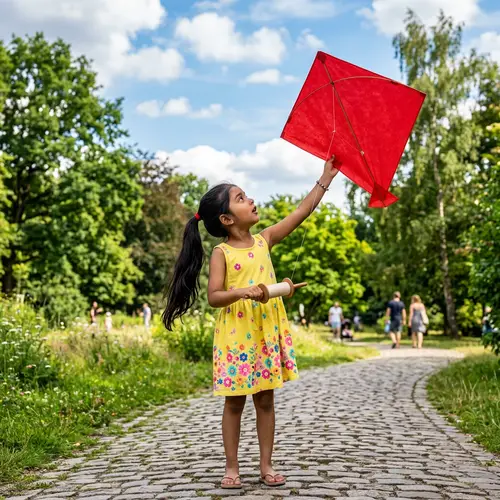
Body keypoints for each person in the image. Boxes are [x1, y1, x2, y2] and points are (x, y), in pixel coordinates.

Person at [162, 156, 340, 490]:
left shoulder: (264, 240)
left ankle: (266, 465)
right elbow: (214, 296)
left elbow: (301, 213)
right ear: (227, 218)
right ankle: (232, 469)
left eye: (247, 195)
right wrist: (244, 291)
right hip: (237, 335)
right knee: (234, 402)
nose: (252, 200)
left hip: (265, 331)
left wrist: (325, 179)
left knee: (266, 401)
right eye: (242, 198)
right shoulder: (222, 254)